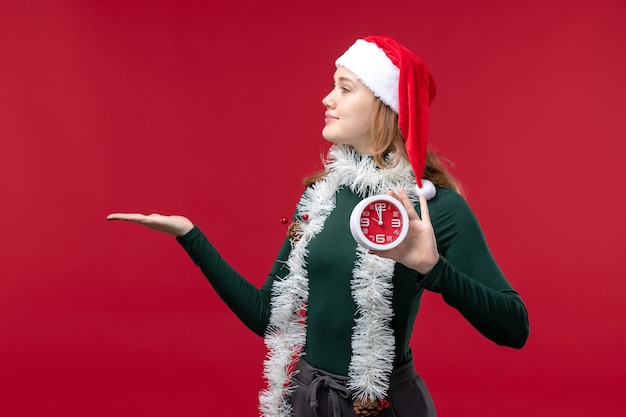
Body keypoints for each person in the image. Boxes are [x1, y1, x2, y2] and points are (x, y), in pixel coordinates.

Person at [107, 36, 529, 417]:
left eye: (345, 88)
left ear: (386, 105)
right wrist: (189, 235)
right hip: (305, 401)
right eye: (333, 85)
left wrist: (435, 269)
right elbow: (268, 315)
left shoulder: (430, 206)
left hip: (382, 406)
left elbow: (514, 328)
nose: (327, 99)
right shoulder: (320, 198)